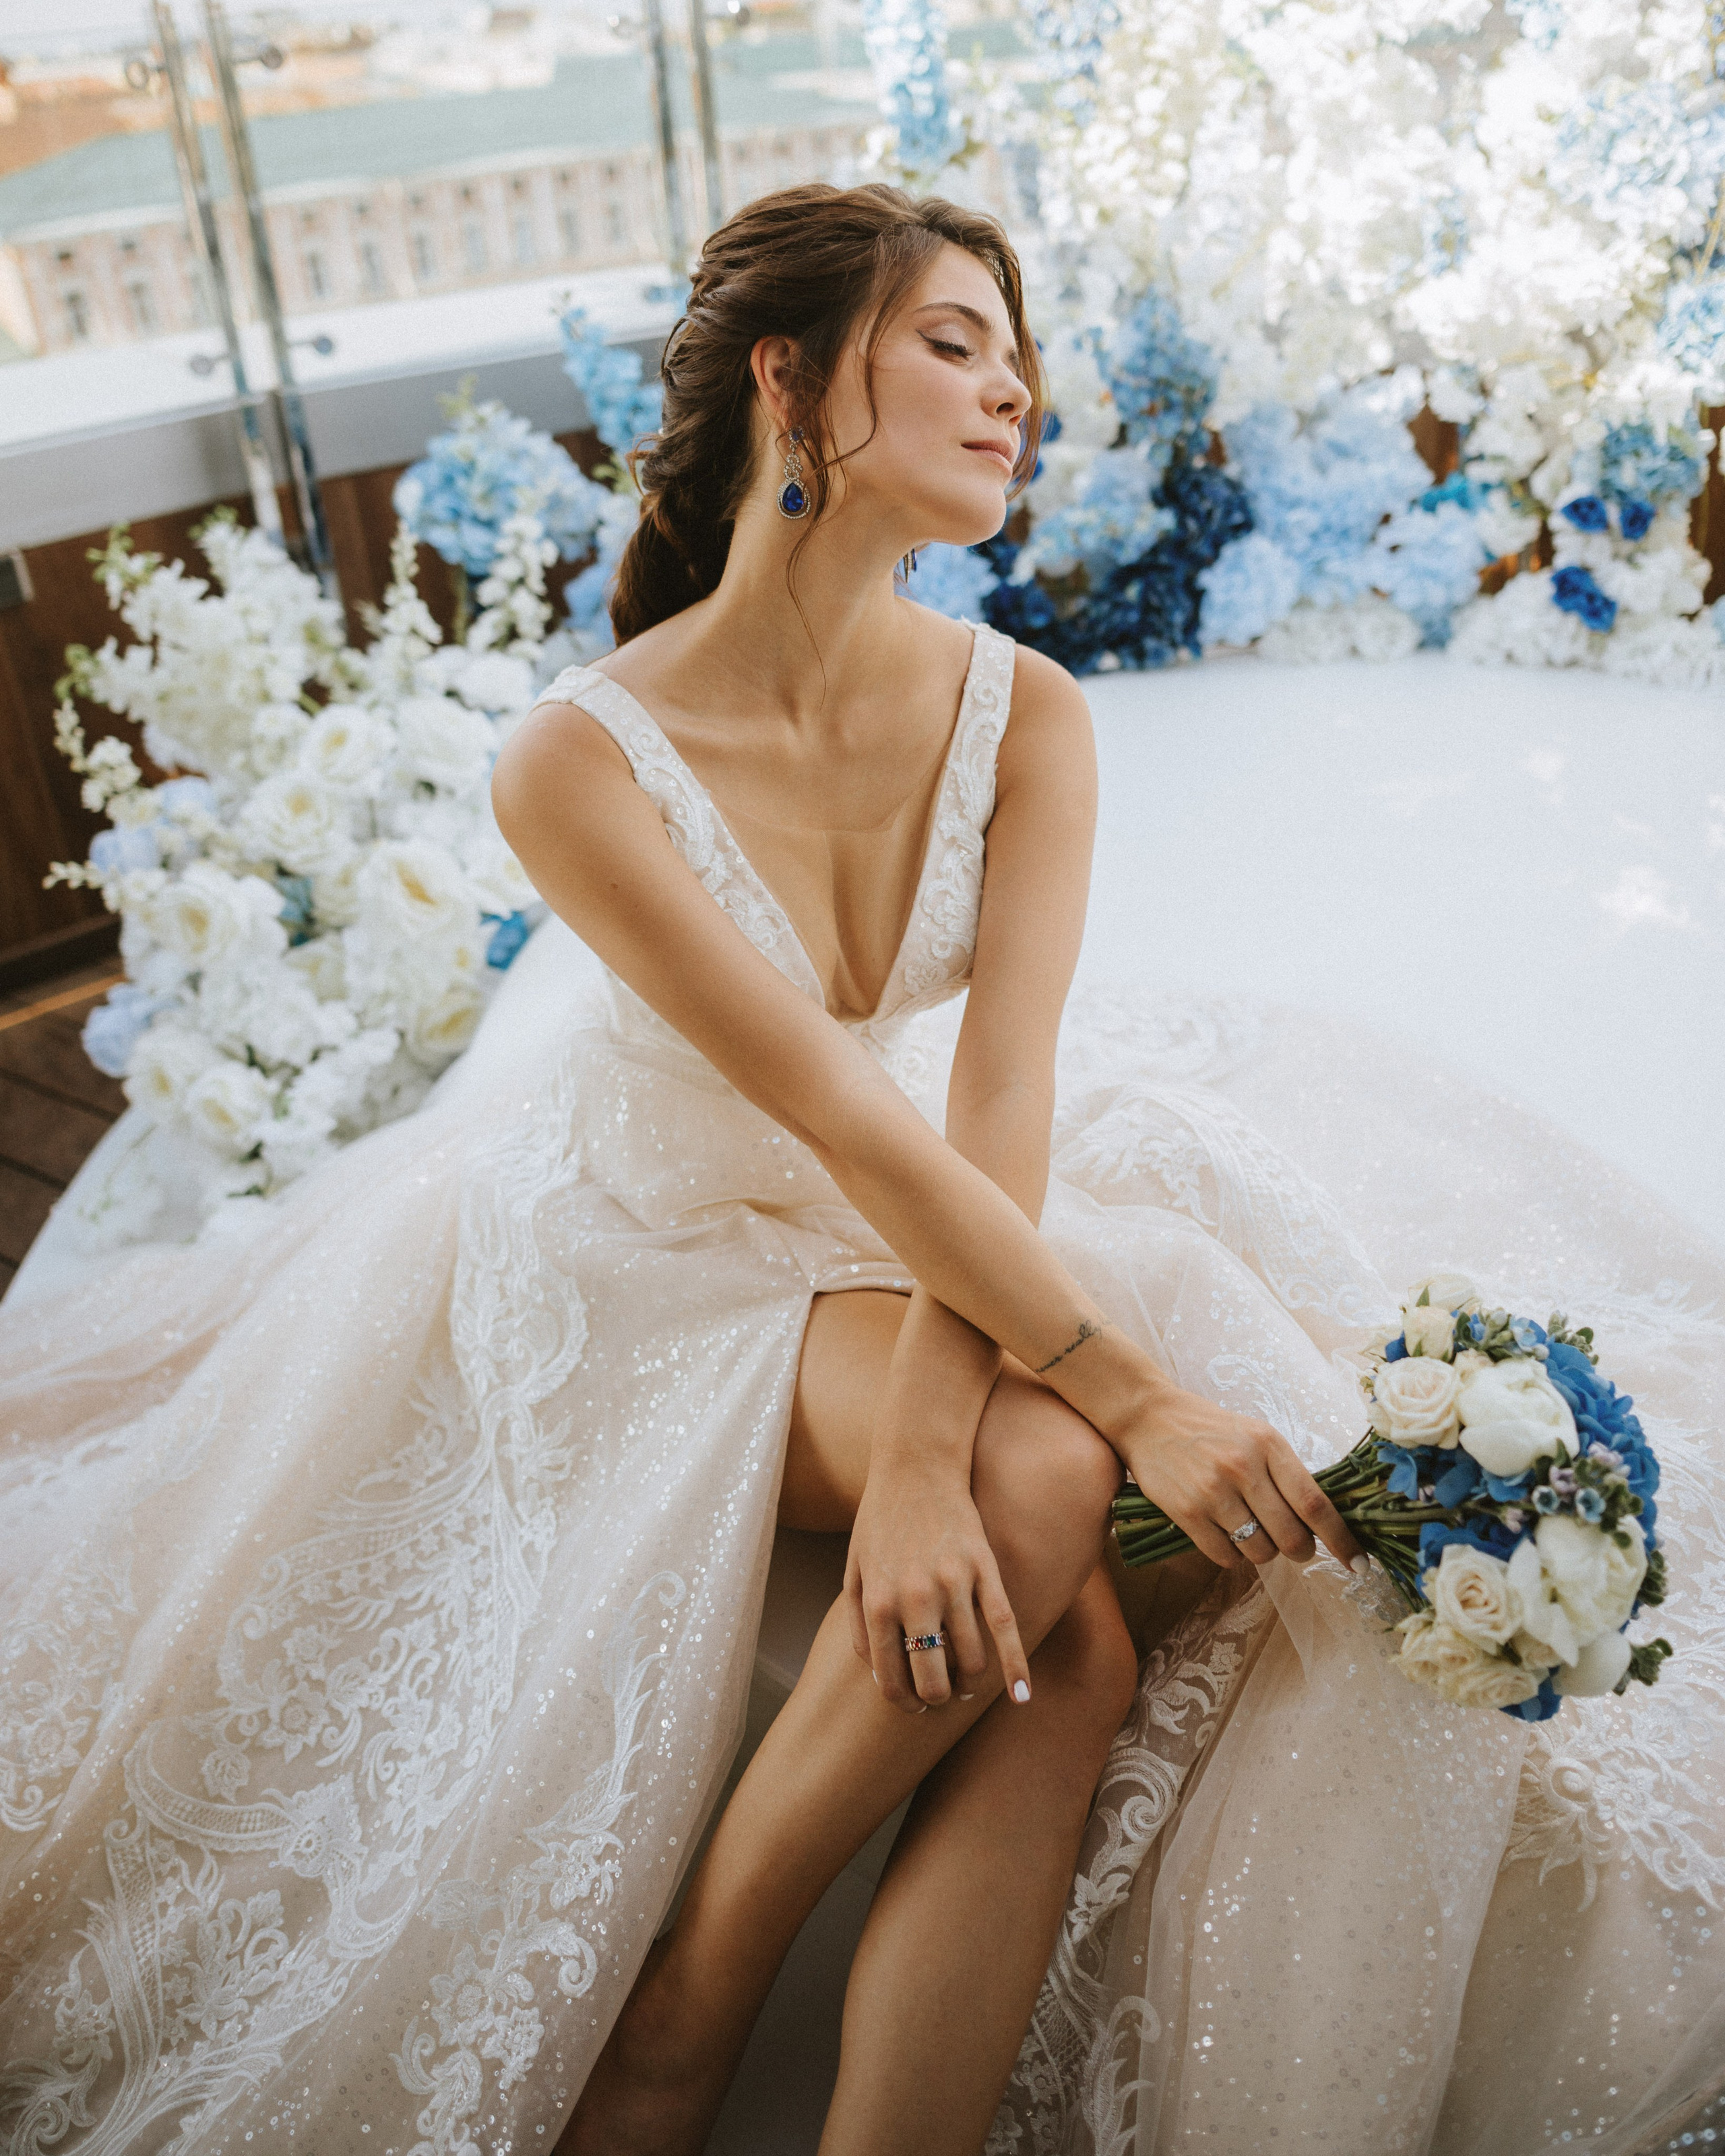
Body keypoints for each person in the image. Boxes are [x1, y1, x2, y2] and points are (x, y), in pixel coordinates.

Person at [0, 182, 1720, 2156]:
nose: (1012, 396)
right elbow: (838, 1109)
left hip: (895, 1215)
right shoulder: (576, 759)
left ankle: (769, 2066)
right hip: (648, 1241)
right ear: (792, 380)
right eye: (954, 344)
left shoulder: (1027, 715)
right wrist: (1090, 1411)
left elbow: (995, 1099)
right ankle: (686, 2014)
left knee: (1065, 1640)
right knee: (1055, 1486)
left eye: (1019, 360)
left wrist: (934, 1450)